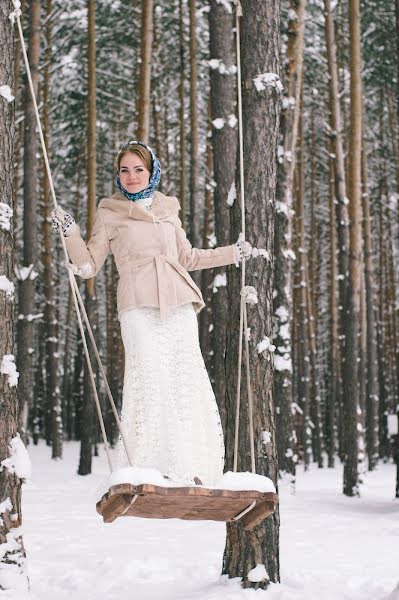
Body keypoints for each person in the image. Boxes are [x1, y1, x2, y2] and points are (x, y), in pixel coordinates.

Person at [52, 140, 252, 487]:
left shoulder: (167, 208)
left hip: (178, 301)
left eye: (138, 169)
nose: (131, 176)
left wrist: (231, 254)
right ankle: (149, 468)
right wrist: (69, 231)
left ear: (151, 171)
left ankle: (193, 468)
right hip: (137, 304)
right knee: (150, 377)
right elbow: (88, 265)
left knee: (183, 379)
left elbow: (188, 258)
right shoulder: (110, 211)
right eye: (125, 170)